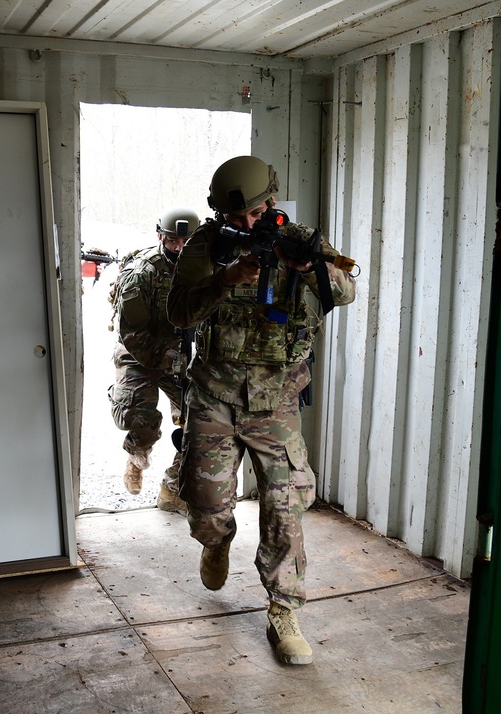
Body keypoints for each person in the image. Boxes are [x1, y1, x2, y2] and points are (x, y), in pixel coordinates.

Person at [167, 156, 356, 666]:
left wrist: (307, 266)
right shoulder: (207, 247)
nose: (248, 225)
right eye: (237, 218)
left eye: (255, 213)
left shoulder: (301, 239)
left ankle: (283, 609)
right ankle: (215, 541)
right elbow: (179, 312)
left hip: (276, 402)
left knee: (285, 505)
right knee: (204, 501)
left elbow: (348, 290)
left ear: (271, 202)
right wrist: (225, 278)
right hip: (215, 397)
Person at [108, 207, 200, 514]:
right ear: (161, 237)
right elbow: (131, 332)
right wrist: (165, 357)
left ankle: (173, 488)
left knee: (200, 422)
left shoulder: (205, 269)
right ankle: (137, 453)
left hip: (181, 355)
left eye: (187, 241)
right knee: (138, 417)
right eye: (173, 240)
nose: (180, 248)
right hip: (140, 353)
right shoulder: (142, 273)